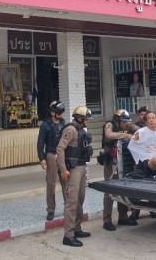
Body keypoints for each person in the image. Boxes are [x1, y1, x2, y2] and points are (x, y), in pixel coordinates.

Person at [56, 105, 93, 247]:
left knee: (80, 198)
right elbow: (60, 149)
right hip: (73, 168)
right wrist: (63, 169)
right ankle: (68, 235)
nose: (87, 121)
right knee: (71, 201)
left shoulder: (80, 130)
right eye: (86, 119)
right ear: (80, 118)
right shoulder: (70, 130)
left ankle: (77, 228)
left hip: (82, 166)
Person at [102, 109, 139, 231]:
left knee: (122, 188)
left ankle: (123, 217)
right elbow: (109, 135)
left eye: (126, 122)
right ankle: (107, 220)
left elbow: (140, 131)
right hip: (111, 162)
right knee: (109, 190)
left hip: (123, 161)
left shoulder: (129, 125)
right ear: (117, 121)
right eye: (123, 122)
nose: (125, 124)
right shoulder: (110, 125)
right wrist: (126, 135)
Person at [37, 100, 67, 221]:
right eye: (59, 113)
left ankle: (68, 206)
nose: (61, 115)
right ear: (52, 113)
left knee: (66, 181)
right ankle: (51, 210)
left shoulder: (63, 122)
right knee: (51, 184)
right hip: (51, 155)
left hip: (62, 155)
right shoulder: (45, 125)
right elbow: (40, 143)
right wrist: (42, 158)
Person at [130, 105, 156, 221]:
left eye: (145, 114)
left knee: (151, 185)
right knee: (138, 187)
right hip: (139, 161)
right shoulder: (135, 127)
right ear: (138, 115)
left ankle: (152, 209)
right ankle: (135, 212)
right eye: (142, 115)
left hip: (151, 160)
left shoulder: (155, 127)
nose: (144, 116)